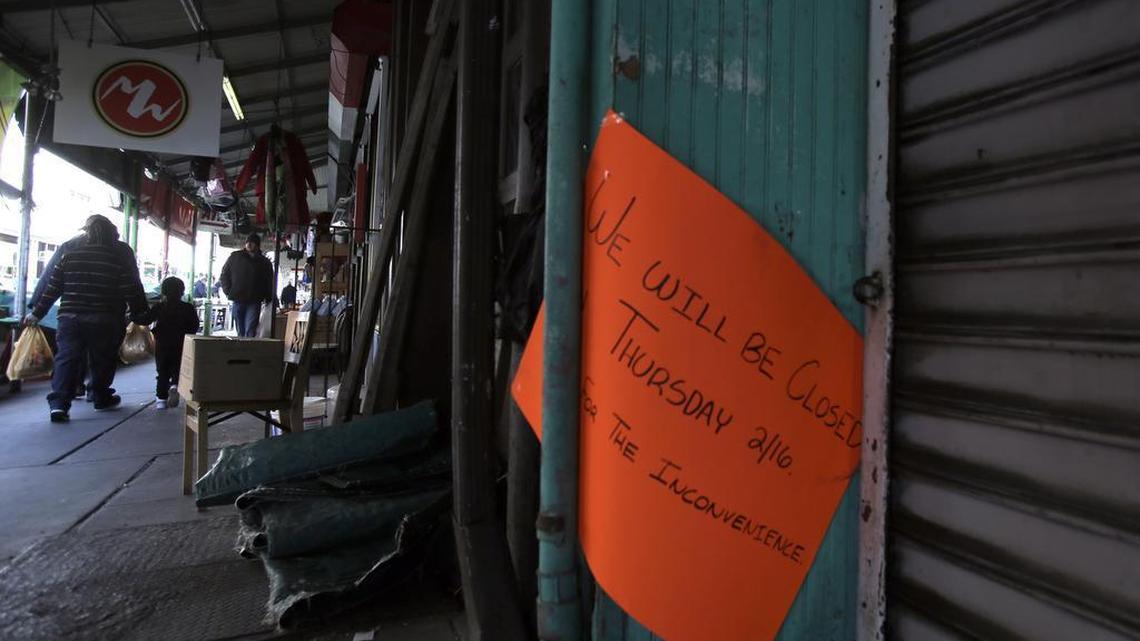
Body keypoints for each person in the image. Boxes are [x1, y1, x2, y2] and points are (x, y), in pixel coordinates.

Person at [26, 214, 148, 422]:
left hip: (70, 318)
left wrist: (37, 313)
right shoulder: (117, 258)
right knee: (103, 358)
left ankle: (59, 405)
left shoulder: (70, 255)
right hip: (105, 318)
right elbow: (131, 287)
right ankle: (100, 396)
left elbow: (52, 288)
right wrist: (139, 312)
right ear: (113, 234)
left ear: (87, 234)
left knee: (66, 358)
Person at [131, 277, 199, 409]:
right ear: (182, 291)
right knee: (178, 367)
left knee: (162, 371)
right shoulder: (188, 308)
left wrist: (133, 317)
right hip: (181, 343)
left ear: (164, 292)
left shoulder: (160, 307)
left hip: (163, 343)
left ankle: (161, 400)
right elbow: (194, 326)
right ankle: (175, 385)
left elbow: (145, 320)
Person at [219, 232, 273, 337]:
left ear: (257, 245)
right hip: (237, 298)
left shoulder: (265, 262)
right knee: (240, 330)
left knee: (250, 329)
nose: (249, 244)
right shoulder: (235, 257)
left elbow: (269, 281)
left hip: (255, 300)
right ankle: (241, 346)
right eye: (248, 242)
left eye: (253, 242)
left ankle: (247, 346)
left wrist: (268, 297)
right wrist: (228, 291)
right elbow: (224, 275)